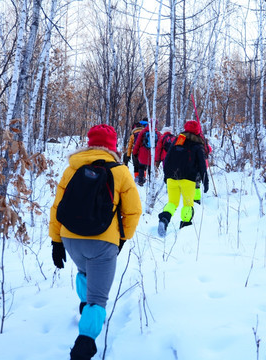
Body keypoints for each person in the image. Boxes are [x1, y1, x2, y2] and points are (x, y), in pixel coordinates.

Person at [49, 124, 142, 360]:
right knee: (98, 300)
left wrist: (56, 241)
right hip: (102, 243)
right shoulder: (120, 172)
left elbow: (57, 207)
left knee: (84, 271)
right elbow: (133, 211)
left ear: (89, 143)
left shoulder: (72, 168)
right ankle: (85, 343)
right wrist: (122, 239)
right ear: (112, 147)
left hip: (71, 239)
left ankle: (84, 307)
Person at [157, 120, 208, 236]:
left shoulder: (178, 140)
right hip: (188, 179)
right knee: (188, 204)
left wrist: (166, 175)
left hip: (172, 177)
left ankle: (164, 219)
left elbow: (168, 158)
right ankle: (184, 228)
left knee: (172, 202)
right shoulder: (198, 144)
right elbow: (202, 165)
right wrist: (206, 181)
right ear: (197, 131)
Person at [132, 121, 161, 186]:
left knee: (141, 167)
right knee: (151, 168)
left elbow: (137, 143)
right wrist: (158, 156)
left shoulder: (143, 132)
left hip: (142, 154)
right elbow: (159, 146)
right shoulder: (157, 133)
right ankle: (151, 182)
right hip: (152, 154)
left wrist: (135, 152)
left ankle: (141, 181)